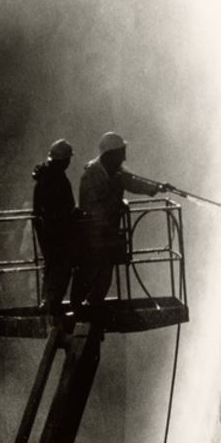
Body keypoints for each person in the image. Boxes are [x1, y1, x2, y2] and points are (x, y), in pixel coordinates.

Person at [70, 131, 168, 312]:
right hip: (92, 232)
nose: (124, 154)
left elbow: (135, 183)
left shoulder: (116, 170)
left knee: (106, 269)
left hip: (106, 232)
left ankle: (93, 304)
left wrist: (157, 187)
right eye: (122, 150)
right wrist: (116, 204)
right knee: (88, 269)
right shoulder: (92, 174)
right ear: (111, 153)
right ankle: (77, 306)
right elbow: (90, 204)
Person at [31, 139, 77, 317]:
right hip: (56, 230)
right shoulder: (55, 178)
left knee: (53, 266)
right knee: (61, 266)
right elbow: (61, 206)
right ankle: (52, 303)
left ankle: (49, 302)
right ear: (63, 160)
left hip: (48, 229)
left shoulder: (45, 175)